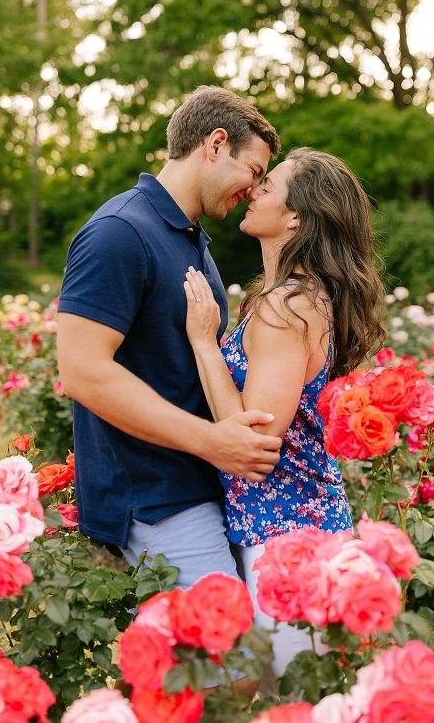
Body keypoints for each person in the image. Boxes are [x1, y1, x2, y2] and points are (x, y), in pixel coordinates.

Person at [57, 85, 284, 589]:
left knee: (231, 658)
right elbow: (81, 370)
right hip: (153, 493)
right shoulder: (119, 231)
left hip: (201, 481)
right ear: (216, 143)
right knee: (234, 661)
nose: (254, 188)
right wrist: (213, 442)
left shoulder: (190, 238)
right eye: (254, 170)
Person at [181, 147, 386, 677]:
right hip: (283, 526)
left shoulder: (286, 306)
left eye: (267, 185)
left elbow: (256, 444)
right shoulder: (284, 297)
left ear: (295, 216)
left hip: (289, 536)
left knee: (293, 698)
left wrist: (205, 343)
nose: (253, 190)